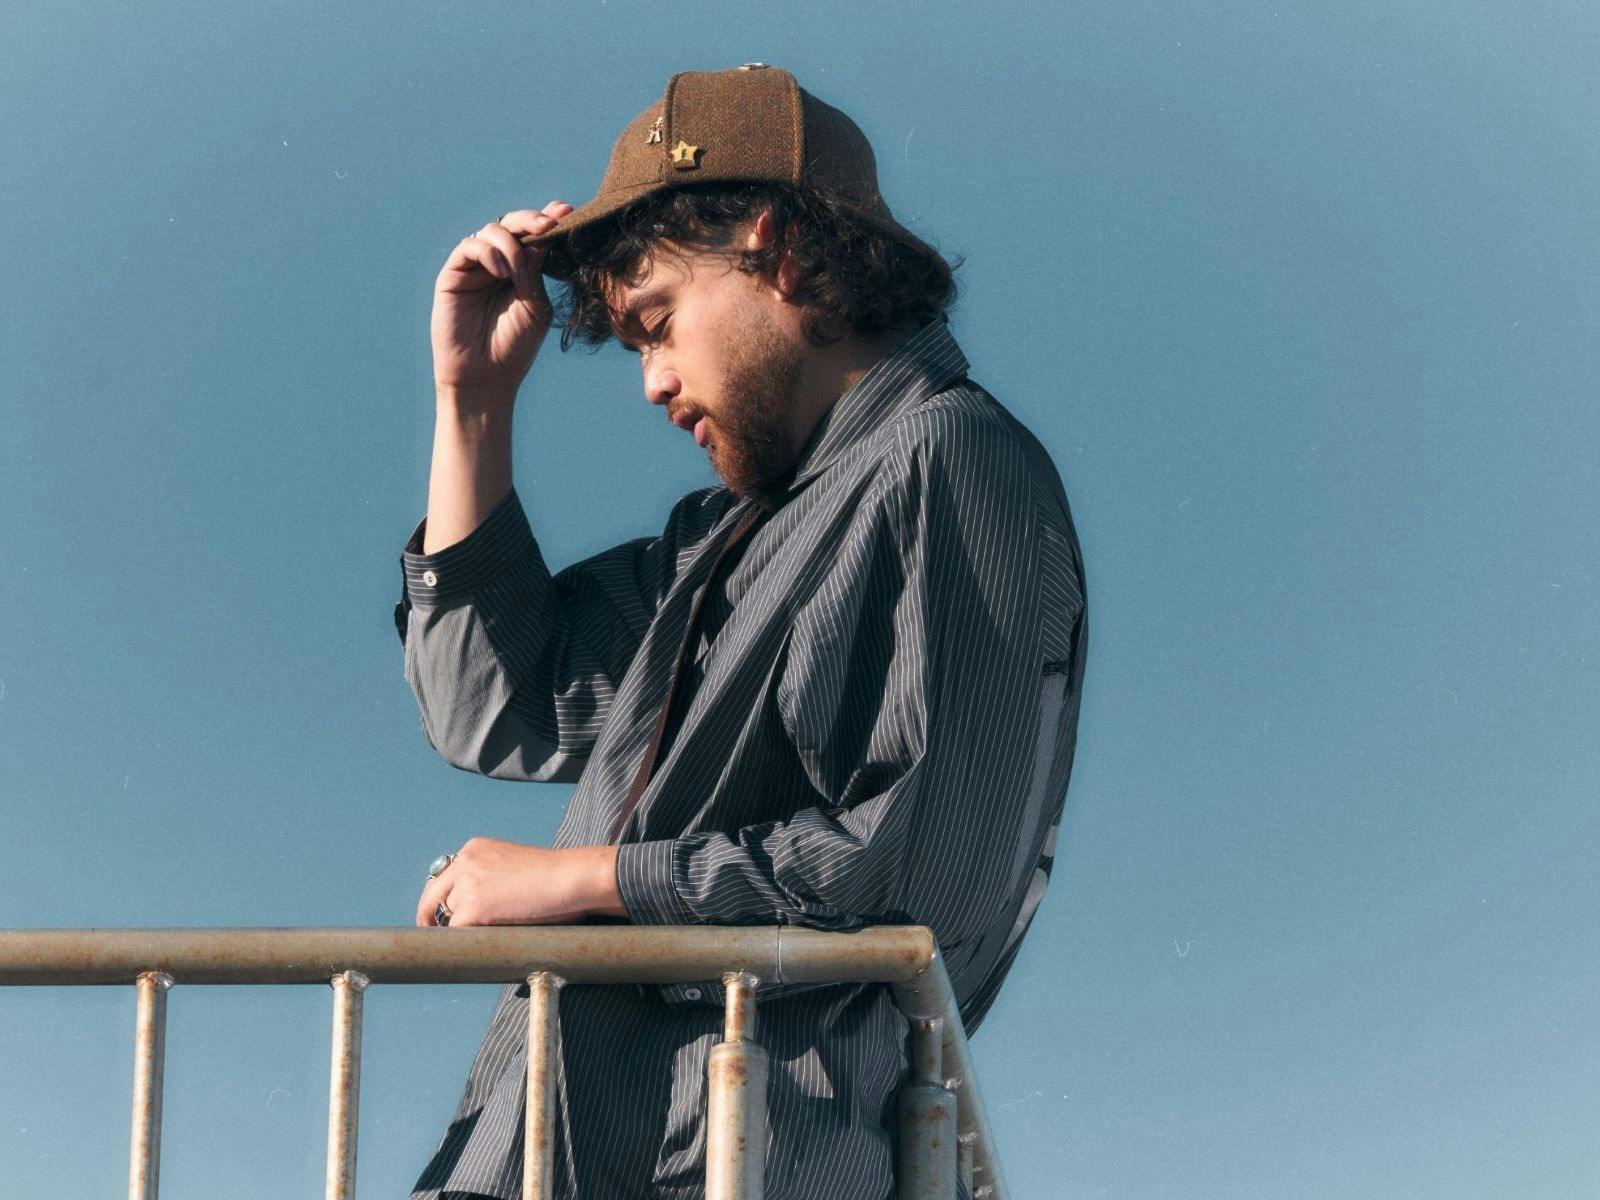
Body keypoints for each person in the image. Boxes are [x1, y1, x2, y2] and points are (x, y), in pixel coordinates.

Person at [394, 64, 1088, 1200]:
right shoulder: (715, 542)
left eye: (657, 325)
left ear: (774, 251)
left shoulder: (952, 459)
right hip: (559, 1147)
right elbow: (493, 711)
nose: (655, 382)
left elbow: (925, 870)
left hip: (733, 1157)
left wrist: (582, 880)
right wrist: (471, 403)